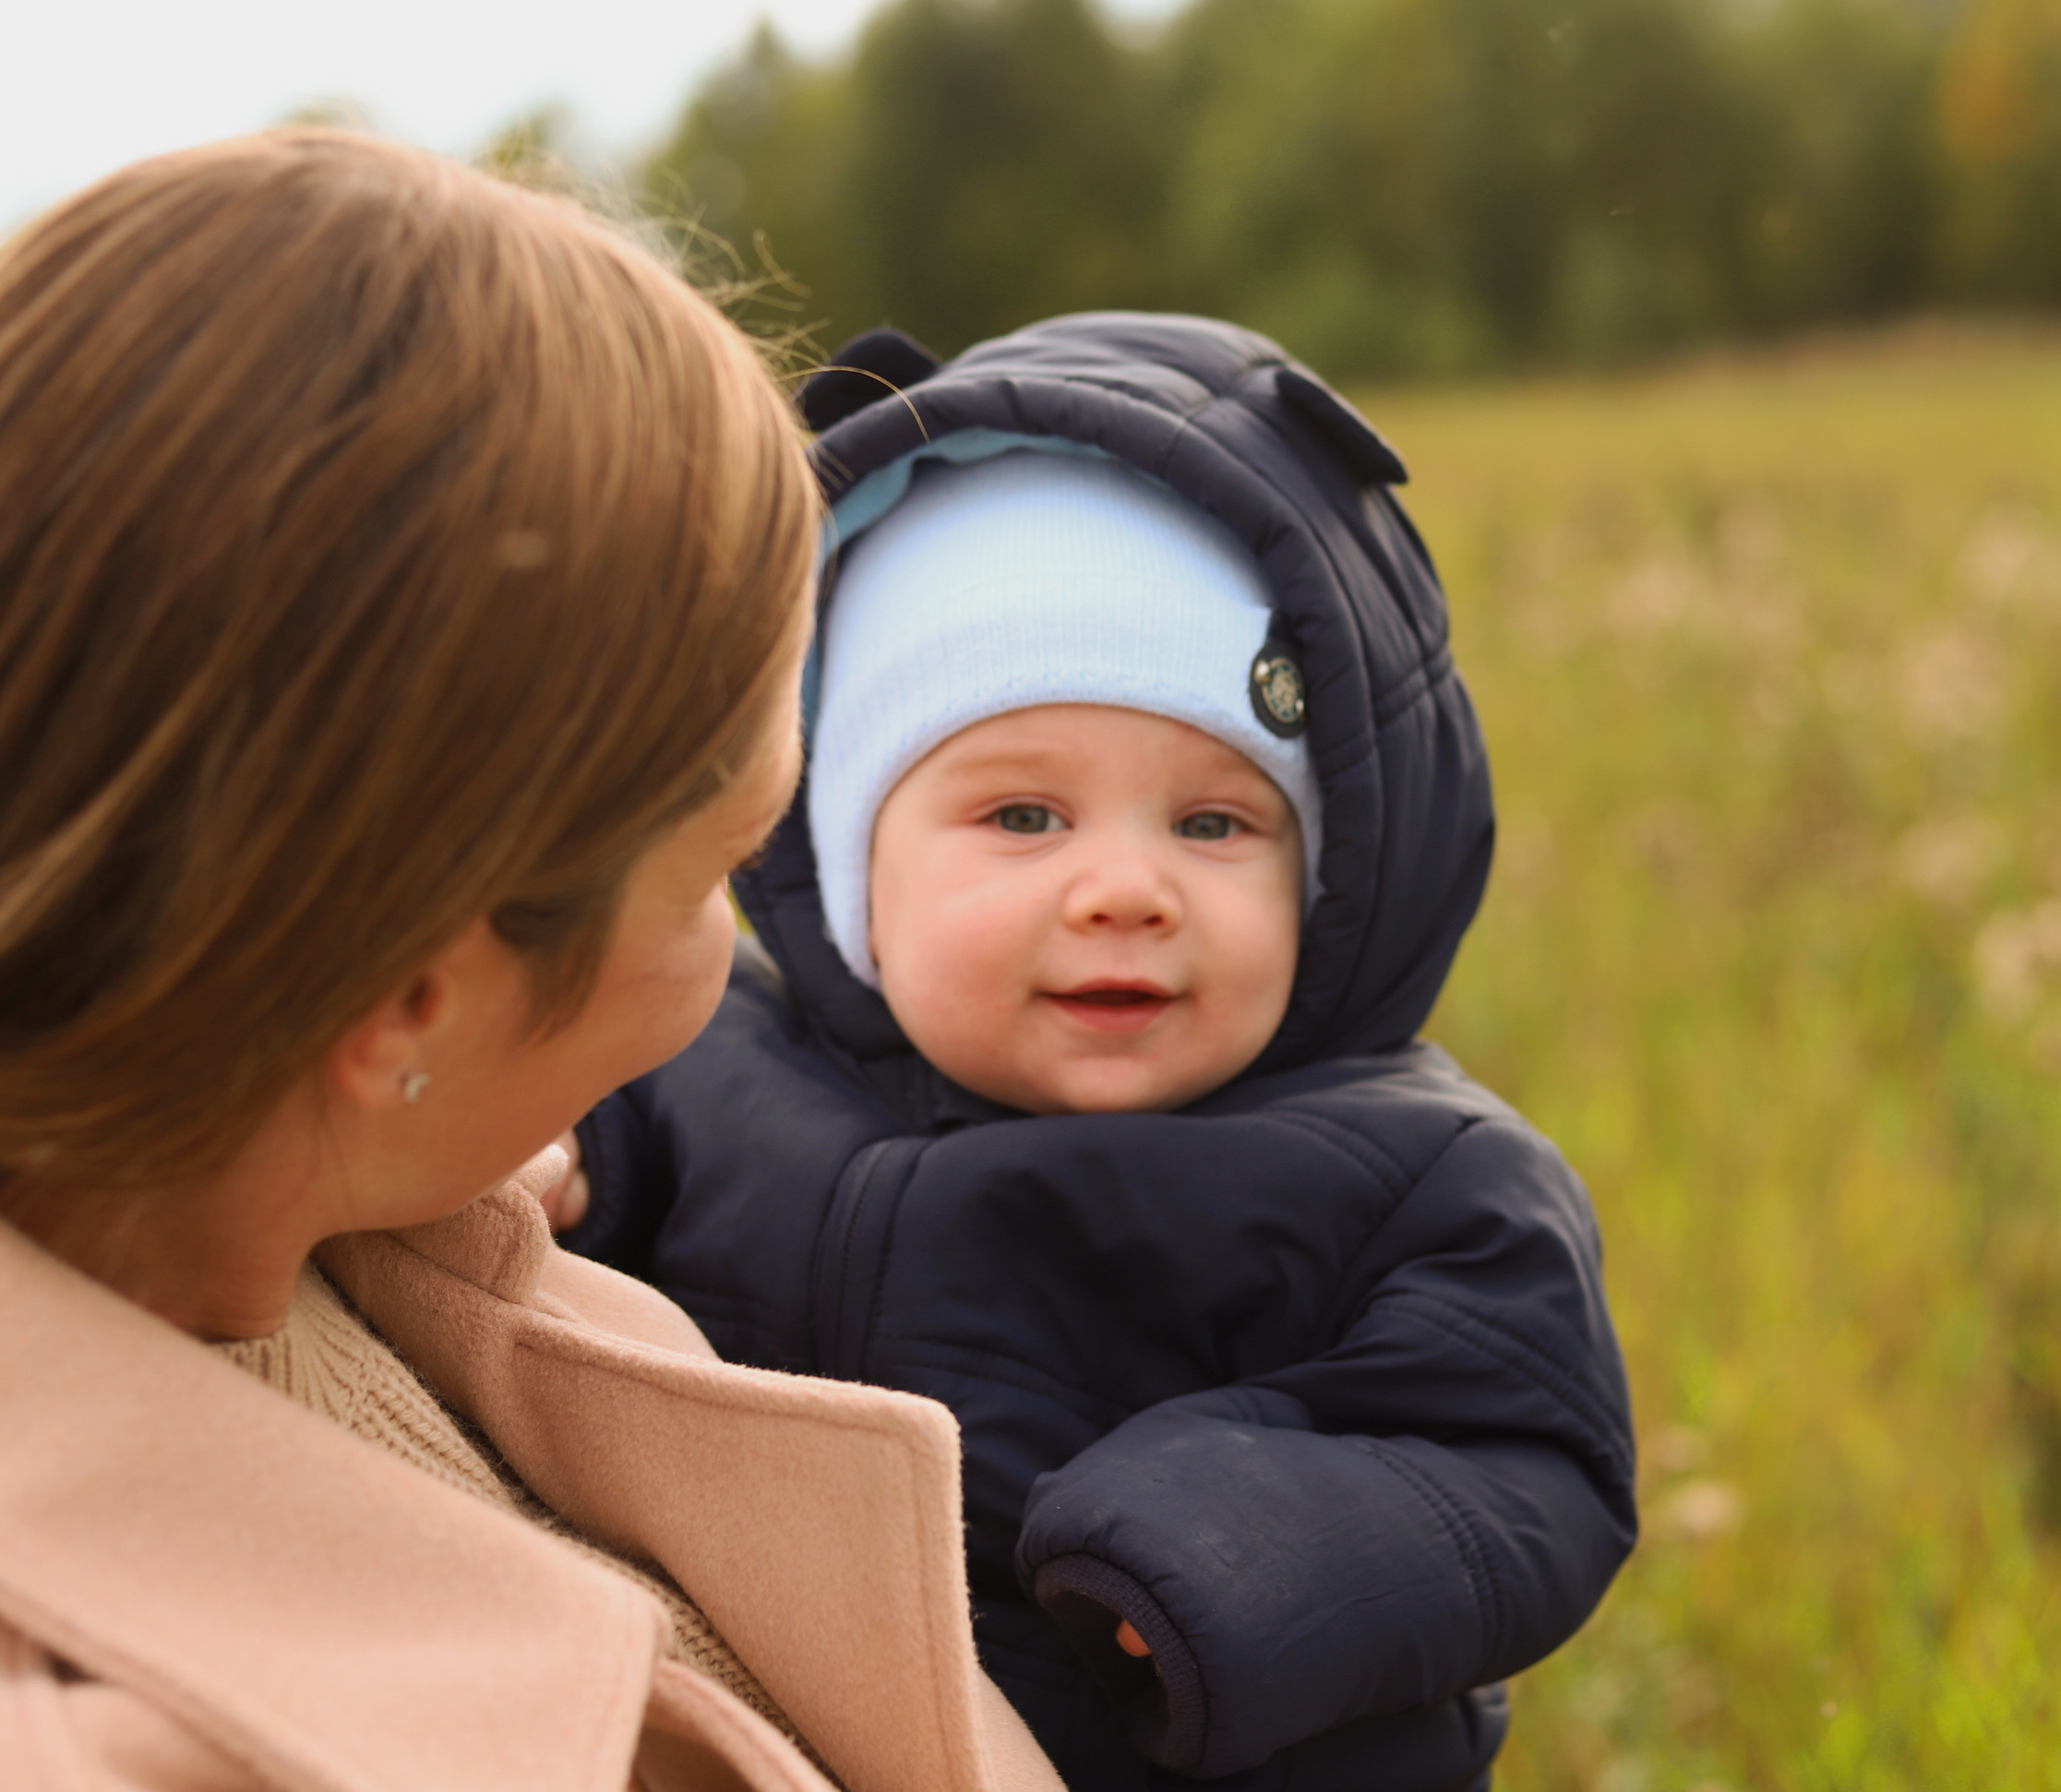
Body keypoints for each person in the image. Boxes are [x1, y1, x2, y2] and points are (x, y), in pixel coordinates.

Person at [0, 133, 1062, 1792]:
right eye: (718, 872)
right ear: (407, 1001)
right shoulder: (22, 1748)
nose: (746, 954)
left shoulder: (295, 1222)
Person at [559, 316, 1639, 1792]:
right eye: (1023, 817)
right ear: (842, 849)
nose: (1125, 889)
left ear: (1335, 880)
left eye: (1215, 823)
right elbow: (567, 1148)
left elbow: (1528, 1468)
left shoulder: (1418, 1178)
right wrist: (567, 1157)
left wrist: (1237, 1542)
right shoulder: (707, 1054)